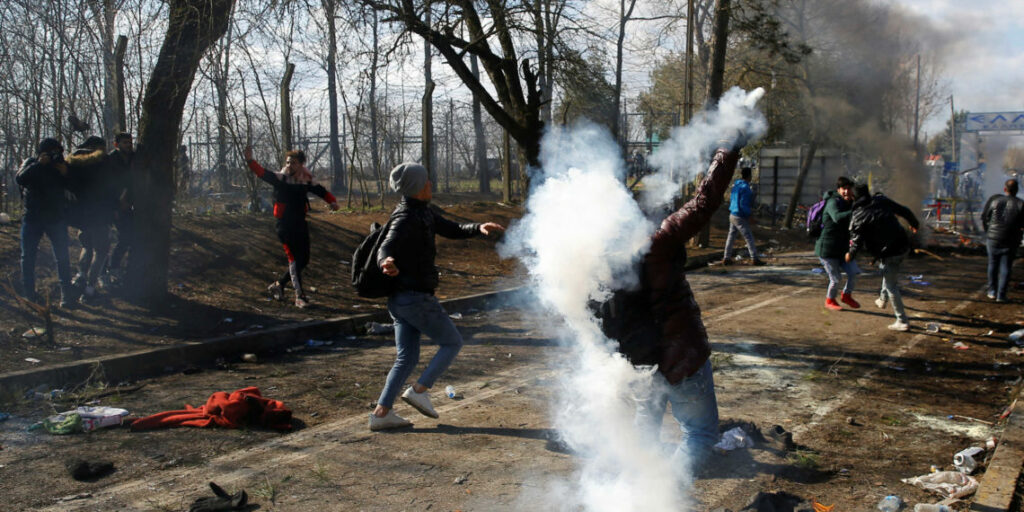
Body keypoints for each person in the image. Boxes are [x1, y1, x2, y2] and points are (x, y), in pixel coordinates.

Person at [601, 136, 749, 477]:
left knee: (645, 427)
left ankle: (637, 487)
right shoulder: (658, 241)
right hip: (681, 354)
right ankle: (664, 495)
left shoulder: (596, 259)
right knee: (699, 433)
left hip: (639, 360)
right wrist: (727, 151)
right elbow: (703, 202)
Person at [369, 162, 505, 431]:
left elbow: (451, 228)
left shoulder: (423, 212)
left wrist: (478, 227)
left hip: (401, 300)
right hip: (415, 298)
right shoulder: (406, 217)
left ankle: (381, 414)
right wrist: (386, 261)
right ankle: (420, 390)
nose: (431, 184)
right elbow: (386, 245)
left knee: (406, 358)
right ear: (418, 188)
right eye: (428, 181)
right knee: (452, 342)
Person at [243, 145, 339, 308]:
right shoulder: (280, 178)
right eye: (288, 162)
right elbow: (262, 173)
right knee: (294, 260)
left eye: (293, 163)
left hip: (300, 223)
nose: (289, 165)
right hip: (284, 226)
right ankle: (299, 296)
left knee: (304, 259)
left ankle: (278, 285)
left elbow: (320, 190)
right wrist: (250, 160)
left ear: (301, 165)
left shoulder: (305, 179)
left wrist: (332, 201)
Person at [846, 184, 920, 331]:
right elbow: (903, 210)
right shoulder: (881, 201)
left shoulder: (858, 215)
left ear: (854, 198)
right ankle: (882, 299)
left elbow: (857, 241)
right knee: (887, 271)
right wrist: (914, 223)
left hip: (889, 252)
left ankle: (902, 320)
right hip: (903, 245)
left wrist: (850, 254)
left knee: (891, 284)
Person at [15, 137, 74, 307]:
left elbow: (74, 187)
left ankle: (66, 296)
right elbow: (20, 179)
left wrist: (65, 174)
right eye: (52, 152)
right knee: (28, 257)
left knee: (62, 256)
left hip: (55, 218)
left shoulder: (61, 166)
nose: (56, 155)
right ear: (42, 153)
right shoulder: (32, 163)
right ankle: (29, 295)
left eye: (58, 152)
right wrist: (39, 164)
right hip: (33, 217)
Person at [66, 135, 117, 303]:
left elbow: (69, 187)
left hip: (81, 215)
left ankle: (80, 276)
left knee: (86, 246)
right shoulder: (103, 162)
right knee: (101, 251)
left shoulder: (73, 161)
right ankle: (89, 289)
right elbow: (111, 188)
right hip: (100, 214)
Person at [815, 176, 860, 310]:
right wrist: (854, 211)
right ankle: (830, 300)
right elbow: (837, 217)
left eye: (849, 189)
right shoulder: (832, 202)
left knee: (854, 272)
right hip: (827, 249)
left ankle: (846, 295)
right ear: (839, 190)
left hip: (843, 248)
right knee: (836, 279)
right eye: (844, 189)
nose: (846, 191)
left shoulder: (850, 203)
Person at [981, 179, 1024, 302]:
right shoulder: (1021, 204)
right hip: (1011, 240)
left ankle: (991, 291)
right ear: (1017, 190)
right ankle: (1001, 295)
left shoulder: (995, 201)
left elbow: (985, 217)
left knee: (992, 264)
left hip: (993, 238)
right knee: (1006, 266)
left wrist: (988, 232)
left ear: (1005, 189)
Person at [104, 132, 135, 281]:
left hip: (128, 205)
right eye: (125, 143)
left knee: (128, 237)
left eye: (130, 142)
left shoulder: (133, 158)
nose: (128, 145)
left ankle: (115, 267)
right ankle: (109, 270)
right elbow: (107, 186)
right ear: (116, 145)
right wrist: (115, 206)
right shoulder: (110, 160)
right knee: (106, 240)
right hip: (112, 206)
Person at [722, 166, 765, 266]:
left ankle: (726, 257)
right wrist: (749, 216)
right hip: (740, 216)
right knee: (748, 237)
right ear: (749, 176)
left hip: (732, 214)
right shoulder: (746, 188)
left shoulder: (736, 185)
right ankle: (754, 258)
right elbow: (743, 204)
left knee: (731, 236)